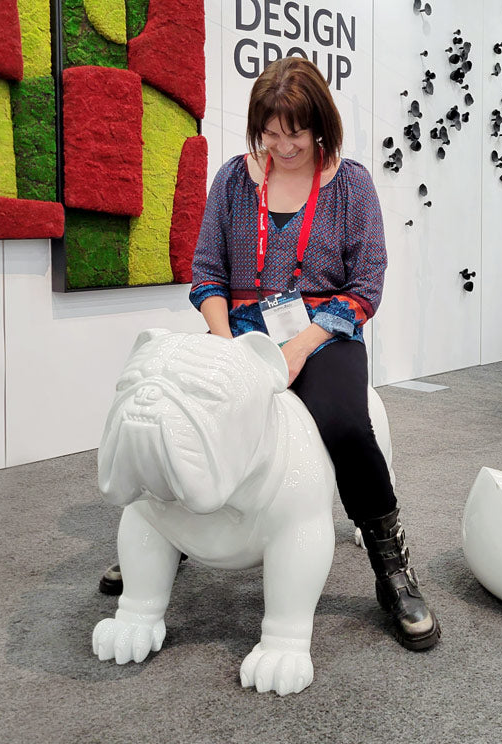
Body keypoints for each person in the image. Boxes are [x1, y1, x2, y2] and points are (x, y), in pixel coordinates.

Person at [187, 56, 438, 650]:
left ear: (319, 125)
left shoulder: (350, 184)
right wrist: (225, 348)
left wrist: (300, 347)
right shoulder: (232, 179)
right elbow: (206, 274)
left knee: (346, 424)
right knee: (187, 408)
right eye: (269, 134)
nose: (281, 146)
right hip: (239, 328)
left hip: (324, 331)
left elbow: (366, 285)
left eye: (293, 133)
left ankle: (390, 563)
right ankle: (167, 535)